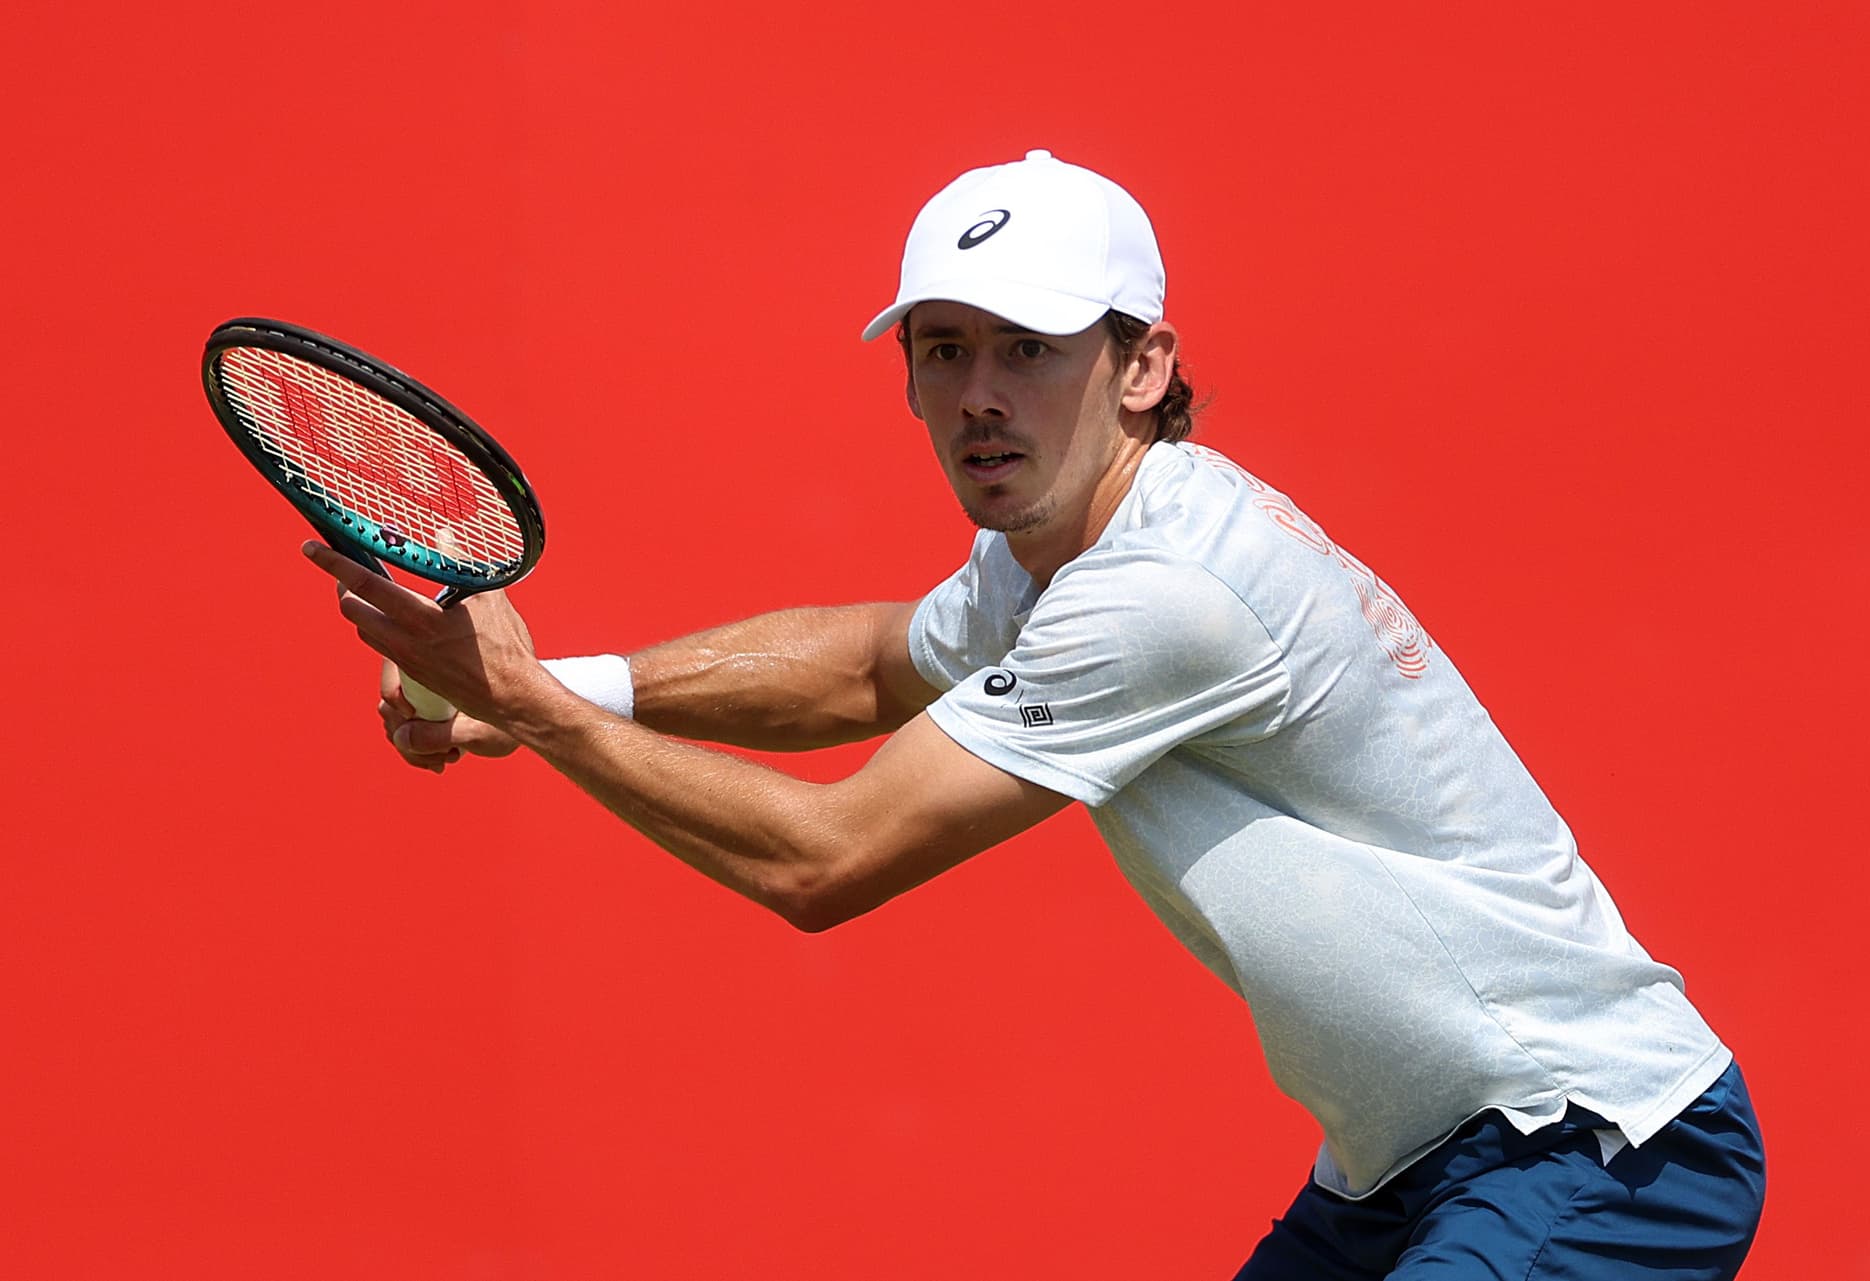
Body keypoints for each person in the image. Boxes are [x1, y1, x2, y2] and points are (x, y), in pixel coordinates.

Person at [304, 149, 1765, 1278]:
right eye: (944, 350)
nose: (980, 397)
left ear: (1145, 367)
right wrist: (571, 686)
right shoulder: (1054, 555)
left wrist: (541, 717)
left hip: (1589, 1143)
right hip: (1402, 1168)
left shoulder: (1167, 589)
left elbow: (825, 860)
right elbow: (879, 663)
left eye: (1029, 348)